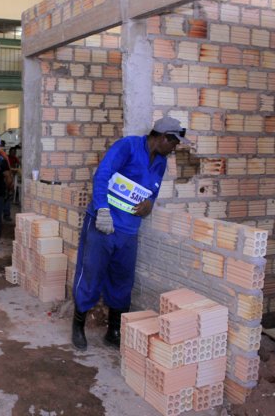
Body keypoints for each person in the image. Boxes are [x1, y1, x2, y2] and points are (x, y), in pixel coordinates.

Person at [71, 116, 189, 351]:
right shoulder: (127, 147)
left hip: (128, 231)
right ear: (163, 137)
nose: (174, 149)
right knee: (91, 274)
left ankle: (114, 330)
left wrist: (149, 205)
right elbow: (102, 174)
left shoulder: (161, 162)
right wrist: (102, 209)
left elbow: (151, 193)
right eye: (174, 143)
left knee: (122, 279)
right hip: (102, 225)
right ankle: (78, 325)